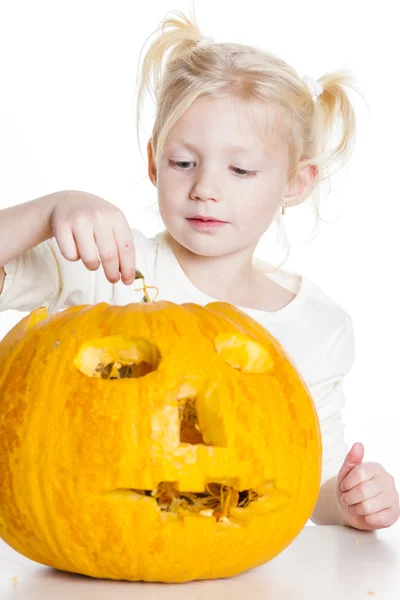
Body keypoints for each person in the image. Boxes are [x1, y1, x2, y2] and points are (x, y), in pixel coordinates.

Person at [0, 7, 398, 531]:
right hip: (86, 533)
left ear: (295, 183)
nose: (205, 187)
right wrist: (53, 208)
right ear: (153, 163)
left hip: (229, 570)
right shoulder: (105, 261)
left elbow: (305, 487)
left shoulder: (317, 326)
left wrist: (349, 501)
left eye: (240, 169)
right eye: (183, 162)